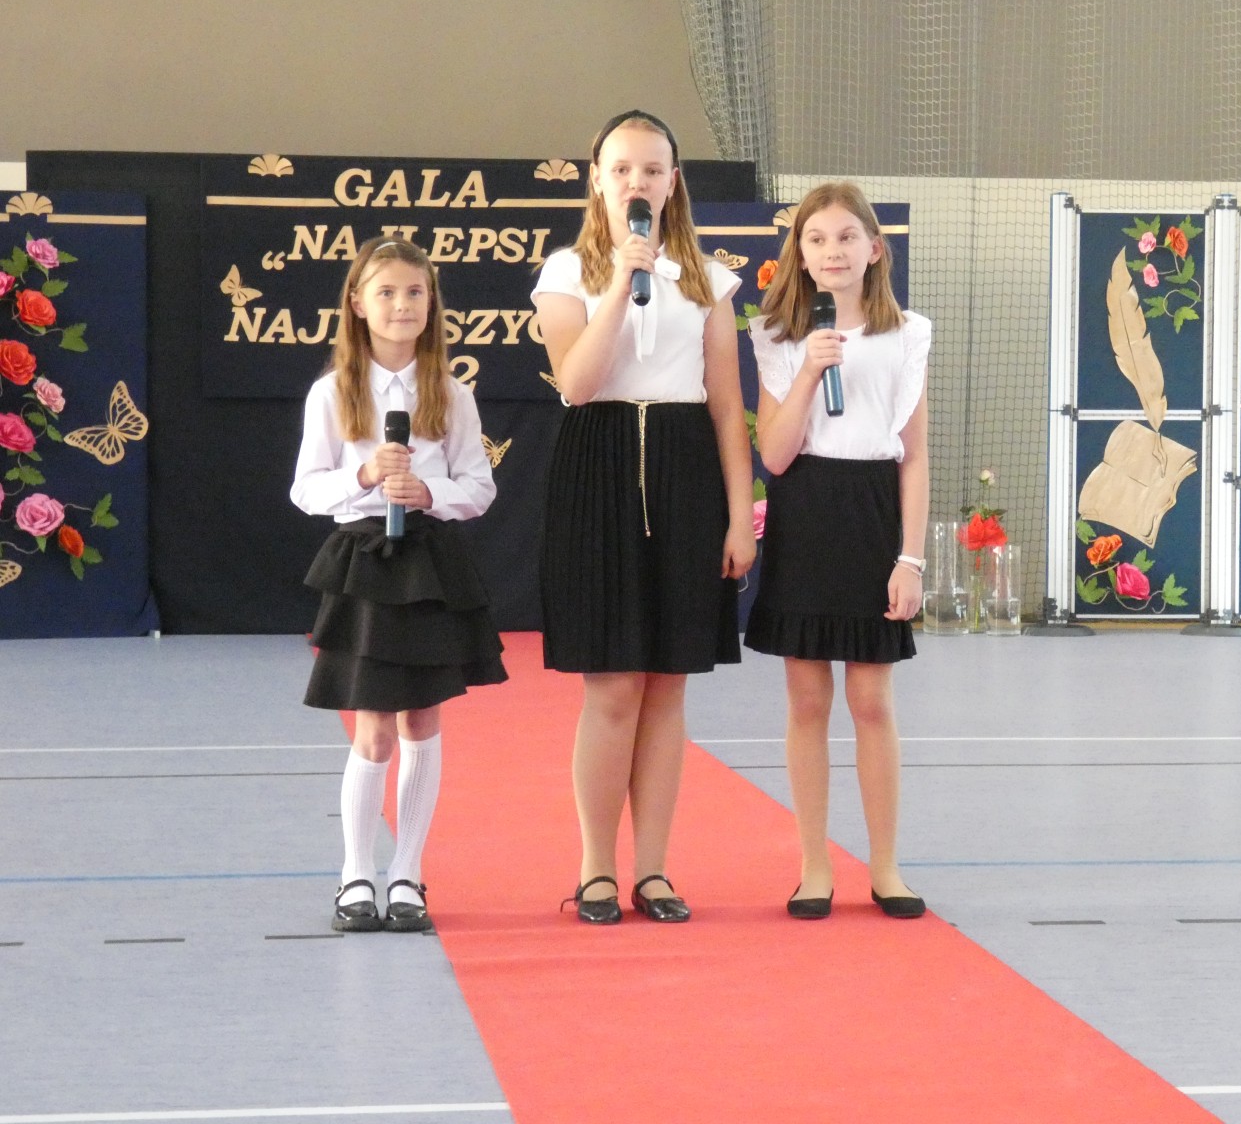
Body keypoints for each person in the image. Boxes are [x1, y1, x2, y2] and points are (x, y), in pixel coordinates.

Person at [534, 110, 756, 924]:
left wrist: (740, 515)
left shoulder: (708, 280)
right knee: (615, 685)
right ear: (597, 178)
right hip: (597, 472)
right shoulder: (566, 273)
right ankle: (596, 867)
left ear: (673, 183)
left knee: (667, 686)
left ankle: (653, 870)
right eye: (622, 168)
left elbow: (728, 407)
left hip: (686, 473)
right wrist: (623, 288)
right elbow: (577, 384)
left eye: (653, 170)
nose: (638, 182)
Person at [291, 235, 506, 934]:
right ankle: (356, 873)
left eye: (415, 292)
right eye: (385, 292)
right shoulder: (333, 392)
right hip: (365, 562)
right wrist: (363, 476)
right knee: (374, 728)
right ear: (357, 303)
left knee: (422, 719)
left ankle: (408, 872)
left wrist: (429, 492)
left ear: (432, 303)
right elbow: (305, 489)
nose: (401, 305)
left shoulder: (452, 393)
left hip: (428, 564)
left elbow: (479, 486)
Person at [744, 182, 931, 920]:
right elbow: (774, 455)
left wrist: (910, 558)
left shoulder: (906, 334)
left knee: (871, 701)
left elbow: (914, 455)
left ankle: (885, 866)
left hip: (873, 513)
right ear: (799, 252)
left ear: (874, 249)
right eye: (816, 239)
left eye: (848, 237)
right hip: (806, 511)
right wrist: (810, 370)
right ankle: (814, 865)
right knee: (807, 699)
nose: (832, 251)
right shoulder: (779, 336)